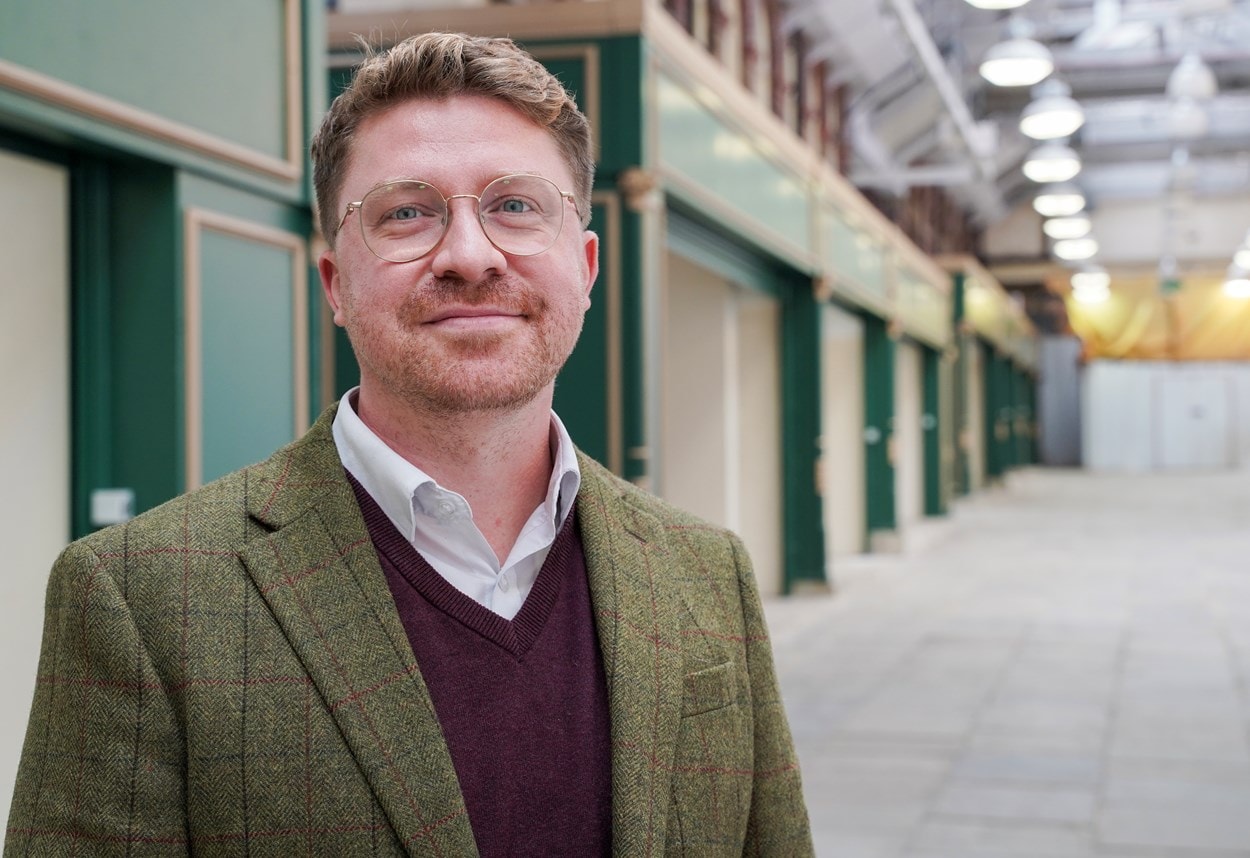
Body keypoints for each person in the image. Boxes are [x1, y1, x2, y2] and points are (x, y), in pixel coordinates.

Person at [6, 32, 813, 857]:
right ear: (335, 286)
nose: (469, 255)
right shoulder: (141, 600)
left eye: (516, 206)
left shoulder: (707, 576)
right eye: (406, 213)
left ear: (587, 265)